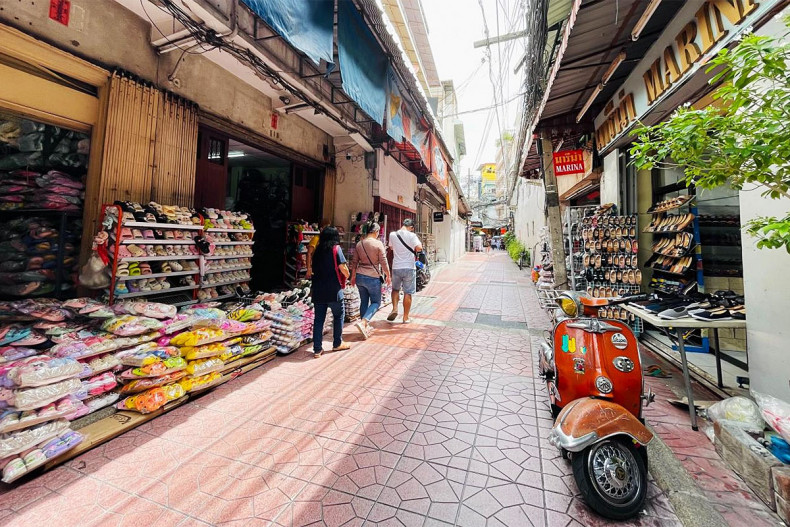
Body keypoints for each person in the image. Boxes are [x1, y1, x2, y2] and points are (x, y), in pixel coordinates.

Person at [310, 226, 351, 358]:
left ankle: (317, 349)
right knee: (338, 315)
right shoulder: (336, 249)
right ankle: (337, 343)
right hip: (334, 290)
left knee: (319, 320)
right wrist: (348, 275)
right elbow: (343, 267)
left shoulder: (317, 250)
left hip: (318, 289)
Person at [350, 220, 391, 339]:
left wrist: (353, 276)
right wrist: (388, 275)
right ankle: (363, 323)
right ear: (376, 231)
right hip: (372, 277)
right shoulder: (378, 244)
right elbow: (383, 262)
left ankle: (364, 326)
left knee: (364, 301)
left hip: (360, 276)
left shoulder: (359, 244)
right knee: (376, 302)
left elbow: (354, 262)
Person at [387, 218, 422, 324]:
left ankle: (395, 308)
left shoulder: (392, 234)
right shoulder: (412, 236)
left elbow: (391, 248)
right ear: (411, 227)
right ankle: (405, 318)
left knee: (395, 289)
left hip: (396, 266)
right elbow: (419, 248)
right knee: (408, 292)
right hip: (409, 267)